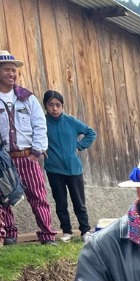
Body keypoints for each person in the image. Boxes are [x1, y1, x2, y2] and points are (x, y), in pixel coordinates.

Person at [0, 51, 57, 245]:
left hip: (27, 156)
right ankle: (9, 234)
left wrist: (36, 151)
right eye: (7, 70)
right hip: (4, 158)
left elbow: (40, 124)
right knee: (4, 197)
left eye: (14, 70)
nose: (12, 74)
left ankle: (47, 235)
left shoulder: (27, 98)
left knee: (38, 195)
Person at [42, 90, 96, 242]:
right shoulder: (42, 122)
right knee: (60, 202)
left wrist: (79, 146)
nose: (54, 108)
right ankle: (67, 231)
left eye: (58, 105)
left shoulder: (71, 121)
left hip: (74, 169)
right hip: (54, 169)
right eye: (51, 105)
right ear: (45, 105)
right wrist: (40, 148)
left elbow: (91, 133)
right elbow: (34, 136)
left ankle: (85, 230)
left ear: (62, 105)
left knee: (79, 202)